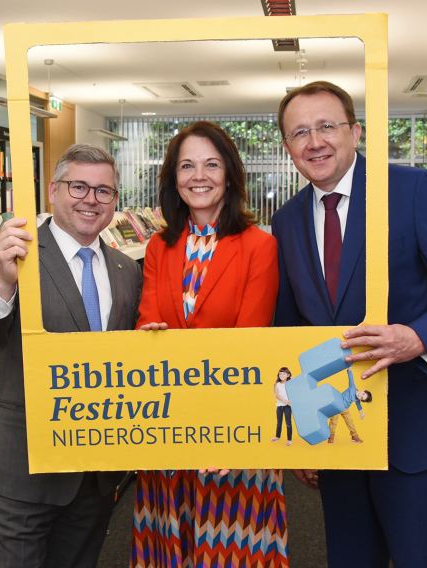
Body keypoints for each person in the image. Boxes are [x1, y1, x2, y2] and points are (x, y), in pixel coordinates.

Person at [271, 81, 427, 567]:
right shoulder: (287, 221)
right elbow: (290, 330)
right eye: (300, 132)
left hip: (421, 432)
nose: (315, 142)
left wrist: (419, 337)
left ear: (355, 132)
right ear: (288, 147)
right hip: (342, 436)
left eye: (327, 126)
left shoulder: (410, 190)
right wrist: (305, 430)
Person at [0, 144, 142, 568]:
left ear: (114, 200)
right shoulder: (9, 254)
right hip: (19, 470)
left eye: (104, 191)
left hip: (92, 476)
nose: (91, 200)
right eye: (79, 187)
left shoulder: (126, 270)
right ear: (53, 190)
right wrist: (5, 284)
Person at [132, 121, 285, 567]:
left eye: (211, 164)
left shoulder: (259, 246)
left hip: (232, 426)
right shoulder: (159, 246)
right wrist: (149, 337)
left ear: (230, 175)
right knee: (171, 544)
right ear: (173, 178)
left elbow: (250, 345)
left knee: (231, 548)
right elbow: (147, 321)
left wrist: (223, 432)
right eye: (187, 166)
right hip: (168, 424)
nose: (198, 176)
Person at [273, 366, 294, 445]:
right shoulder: (277, 384)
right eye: (280, 374)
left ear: (288, 375)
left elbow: (295, 380)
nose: (281, 375)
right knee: (279, 423)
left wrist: (290, 377)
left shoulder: (290, 383)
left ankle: (289, 439)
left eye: (284, 374)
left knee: (288, 423)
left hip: (288, 407)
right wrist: (285, 401)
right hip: (279, 406)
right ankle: (277, 436)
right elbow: (277, 395)